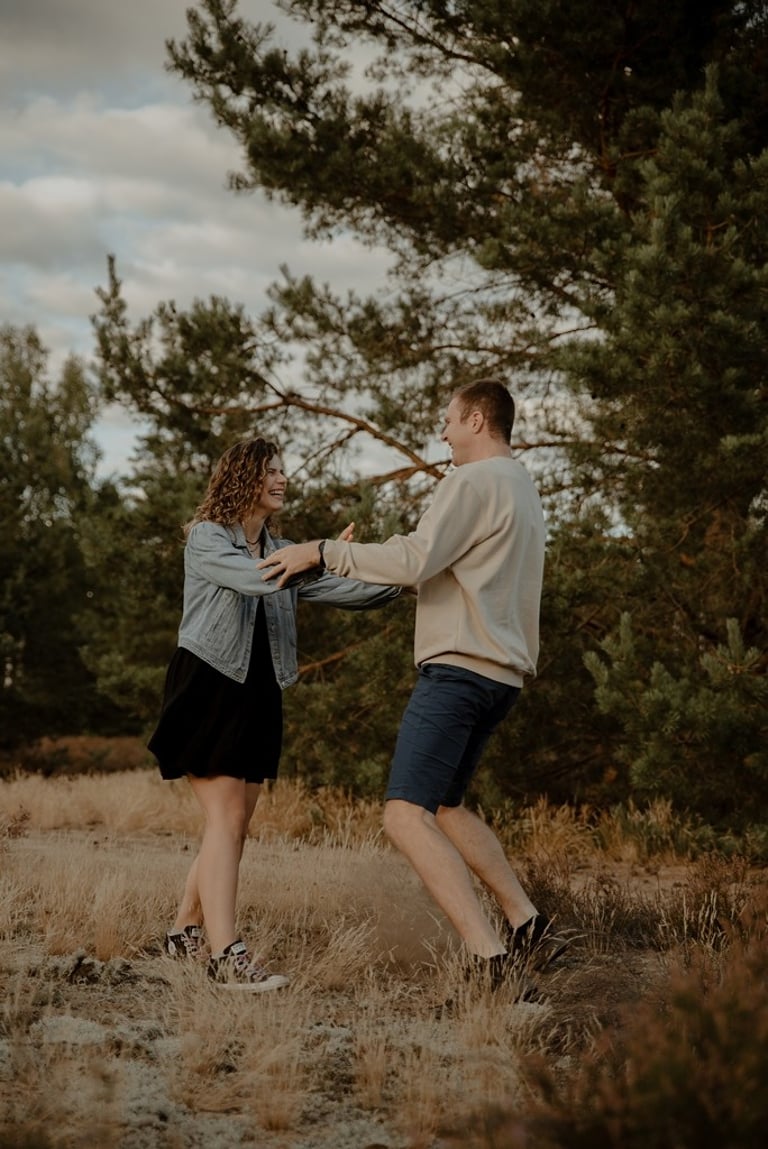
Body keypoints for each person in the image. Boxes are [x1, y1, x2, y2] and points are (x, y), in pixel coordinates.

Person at [260, 380, 561, 987]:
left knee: (403, 817)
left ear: (477, 420)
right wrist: (353, 571)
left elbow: (415, 559)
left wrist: (321, 551)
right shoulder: (522, 487)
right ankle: (528, 926)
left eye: (449, 420)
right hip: (502, 678)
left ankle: (489, 961)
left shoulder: (471, 482)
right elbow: (438, 573)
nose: (442, 432)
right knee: (446, 807)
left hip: (459, 673)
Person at [149, 437, 399, 992]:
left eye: (283, 470)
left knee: (234, 827)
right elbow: (254, 577)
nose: (282, 478)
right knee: (226, 820)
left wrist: (411, 575)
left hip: (259, 691)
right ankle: (225, 955)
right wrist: (317, 555)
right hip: (209, 684)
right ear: (243, 477)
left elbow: (352, 592)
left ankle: (184, 931)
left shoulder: (284, 549)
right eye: (270, 470)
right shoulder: (207, 538)